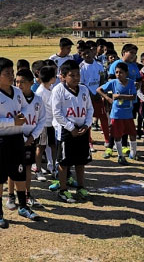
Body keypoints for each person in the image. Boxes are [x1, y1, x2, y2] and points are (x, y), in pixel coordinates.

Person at [0, 58, 38, 228]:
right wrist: (11, 122)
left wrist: (21, 118)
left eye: (11, 72)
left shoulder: (17, 92)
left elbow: (23, 108)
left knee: (19, 173)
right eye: (7, 73)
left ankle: (23, 206)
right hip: (0, 140)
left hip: (17, 139)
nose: (11, 76)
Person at [51, 60, 93, 203]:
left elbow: (89, 109)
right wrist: (71, 128)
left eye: (77, 75)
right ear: (63, 76)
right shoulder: (58, 90)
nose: (76, 78)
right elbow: (57, 113)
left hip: (82, 130)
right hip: (66, 131)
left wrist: (87, 125)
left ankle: (81, 187)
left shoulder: (84, 89)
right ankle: (63, 190)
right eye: (72, 75)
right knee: (64, 162)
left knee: (81, 161)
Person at [16, 69, 46, 207]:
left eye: (22, 82)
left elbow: (41, 120)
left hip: (31, 139)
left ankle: (28, 194)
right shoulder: (14, 99)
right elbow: (11, 119)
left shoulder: (38, 100)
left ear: (31, 82)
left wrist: (32, 137)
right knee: (14, 168)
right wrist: (22, 138)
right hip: (16, 138)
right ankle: (12, 195)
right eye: (17, 82)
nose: (19, 85)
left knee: (27, 167)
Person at [97, 62, 138, 165]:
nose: (118, 75)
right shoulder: (113, 83)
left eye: (121, 72)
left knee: (132, 134)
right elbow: (99, 89)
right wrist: (107, 97)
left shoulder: (131, 83)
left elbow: (133, 96)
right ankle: (120, 156)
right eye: (117, 72)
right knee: (117, 135)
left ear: (126, 73)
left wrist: (120, 96)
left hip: (128, 114)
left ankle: (133, 153)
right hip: (117, 114)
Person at [79, 43, 109, 152]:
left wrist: (99, 93)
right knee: (88, 120)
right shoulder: (81, 67)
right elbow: (82, 84)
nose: (87, 55)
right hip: (87, 98)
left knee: (103, 117)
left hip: (98, 96)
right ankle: (89, 142)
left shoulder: (99, 65)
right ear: (81, 55)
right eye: (84, 54)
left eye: (89, 52)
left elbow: (102, 79)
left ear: (93, 52)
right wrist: (91, 95)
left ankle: (107, 140)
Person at [35, 61, 57, 181]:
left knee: (53, 146)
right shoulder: (40, 92)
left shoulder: (51, 88)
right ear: (51, 78)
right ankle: (38, 170)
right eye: (55, 75)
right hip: (43, 124)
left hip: (52, 124)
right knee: (41, 147)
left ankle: (54, 168)